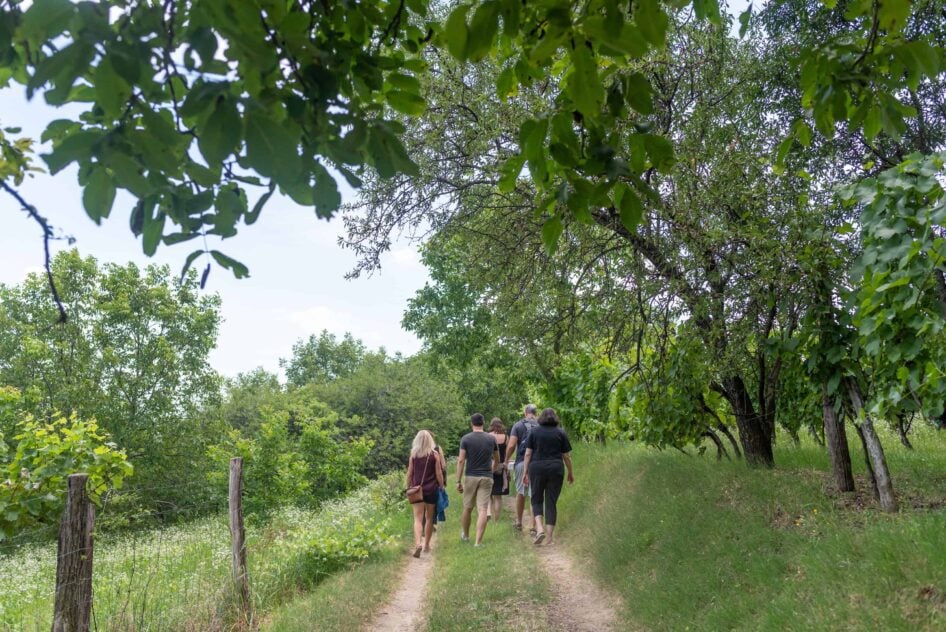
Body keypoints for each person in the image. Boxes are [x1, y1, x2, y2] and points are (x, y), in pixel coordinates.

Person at [523, 408, 574, 546]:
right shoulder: (560, 432)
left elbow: (528, 454)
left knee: (536, 498)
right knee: (551, 501)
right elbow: (566, 456)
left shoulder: (534, 432)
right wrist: (570, 472)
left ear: (541, 418)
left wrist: (525, 472)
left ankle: (540, 529)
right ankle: (550, 538)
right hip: (556, 468)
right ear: (555, 418)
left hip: (537, 468)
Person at [456, 413, 499, 546]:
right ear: (483, 423)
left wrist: (458, 480)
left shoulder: (466, 439)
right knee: (483, 509)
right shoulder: (491, 439)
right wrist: (491, 470)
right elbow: (497, 459)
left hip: (471, 476)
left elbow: (461, 460)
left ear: (471, 424)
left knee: (468, 507)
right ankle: (478, 543)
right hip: (486, 477)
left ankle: (466, 535)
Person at [407, 430, 444, 557]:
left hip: (417, 491)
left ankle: (418, 544)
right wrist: (441, 486)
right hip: (431, 490)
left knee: (417, 518)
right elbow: (438, 473)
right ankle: (427, 545)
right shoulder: (434, 455)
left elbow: (410, 473)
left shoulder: (413, 455)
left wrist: (408, 487)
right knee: (429, 518)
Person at [505, 404, 539, 532]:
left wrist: (506, 459)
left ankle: (519, 522)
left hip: (521, 462)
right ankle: (533, 526)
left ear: (525, 412)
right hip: (537, 463)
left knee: (521, 492)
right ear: (536, 413)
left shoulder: (518, 425)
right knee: (534, 494)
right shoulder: (541, 425)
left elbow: (511, 445)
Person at [488, 417, 509, 522]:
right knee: (498, 496)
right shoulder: (505, 437)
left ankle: (489, 515)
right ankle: (496, 520)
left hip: (489, 467)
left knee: (488, 494)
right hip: (501, 468)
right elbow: (507, 453)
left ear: (491, 425)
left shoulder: (488, 436)